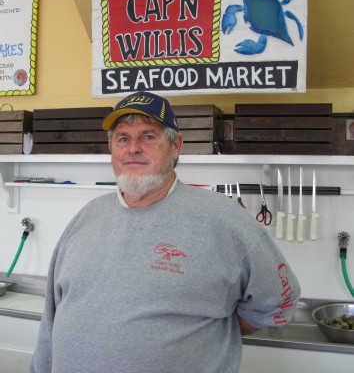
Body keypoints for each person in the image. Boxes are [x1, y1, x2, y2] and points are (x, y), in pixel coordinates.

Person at [30, 91, 300, 373]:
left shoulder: (225, 219)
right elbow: (52, 314)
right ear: (112, 148)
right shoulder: (86, 217)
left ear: (175, 146)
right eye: (123, 138)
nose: (133, 148)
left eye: (148, 136)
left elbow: (280, 300)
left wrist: (205, 337)